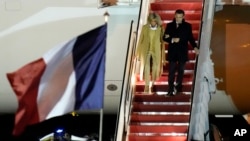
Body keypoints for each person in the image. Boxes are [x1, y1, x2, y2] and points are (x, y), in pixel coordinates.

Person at [163, 9, 199, 96]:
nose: (178, 18)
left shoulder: (187, 26)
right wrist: (172, 39)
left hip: (182, 51)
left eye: (180, 17)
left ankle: (178, 87)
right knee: (171, 71)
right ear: (174, 16)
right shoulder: (169, 25)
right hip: (172, 51)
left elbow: (190, 38)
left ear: (183, 17)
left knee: (181, 71)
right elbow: (165, 37)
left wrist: (195, 47)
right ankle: (170, 90)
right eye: (177, 16)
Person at [136, 12, 165, 93]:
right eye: (152, 21)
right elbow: (141, 39)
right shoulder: (145, 28)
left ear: (157, 21)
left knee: (156, 67)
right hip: (146, 50)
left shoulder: (160, 29)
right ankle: (146, 85)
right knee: (147, 67)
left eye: (155, 21)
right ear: (149, 21)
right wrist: (138, 52)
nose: (153, 22)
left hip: (156, 50)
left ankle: (152, 83)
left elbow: (163, 41)